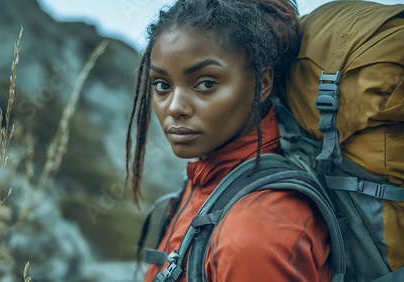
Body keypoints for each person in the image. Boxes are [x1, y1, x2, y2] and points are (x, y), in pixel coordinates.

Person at [125, 0, 331, 280]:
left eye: (206, 83)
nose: (174, 107)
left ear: (264, 83)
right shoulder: (207, 177)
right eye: (162, 85)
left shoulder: (255, 237)